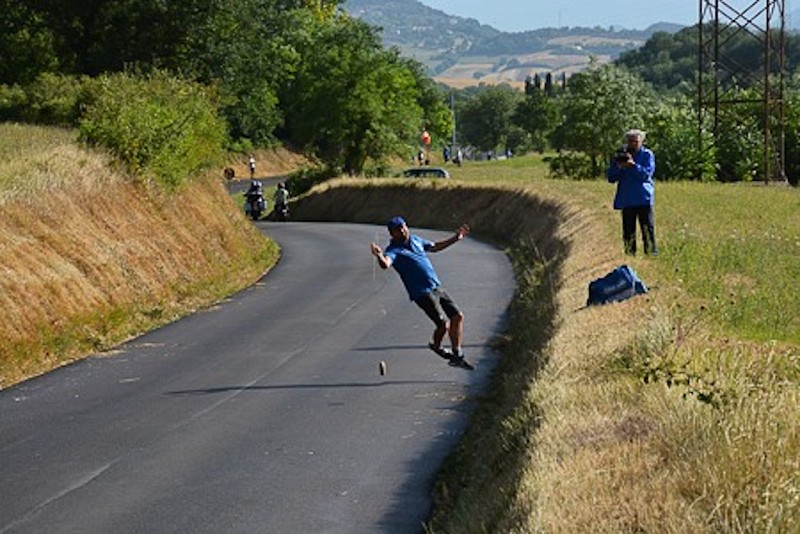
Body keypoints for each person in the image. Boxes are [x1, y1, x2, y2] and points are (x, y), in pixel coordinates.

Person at [370, 216, 472, 367]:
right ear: (392, 234)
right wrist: (379, 255)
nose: (402, 231)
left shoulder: (416, 240)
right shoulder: (393, 250)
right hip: (421, 293)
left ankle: (457, 354)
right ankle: (436, 347)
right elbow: (386, 264)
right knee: (443, 324)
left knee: (457, 316)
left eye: (403, 227)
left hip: (436, 286)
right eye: (398, 229)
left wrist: (456, 238)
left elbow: (435, 247)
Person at [606, 129, 658, 256]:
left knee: (647, 229)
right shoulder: (621, 155)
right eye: (630, 141)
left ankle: (651, 255)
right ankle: (630, 256)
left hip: (643, 198)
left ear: (642, 141)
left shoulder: (647, 155)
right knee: (628, 232)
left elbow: (646, 175)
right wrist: (619, 167)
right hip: (627, 199)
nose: (633, 144)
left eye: (636, 141)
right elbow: (611, 178)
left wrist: (633, 166)